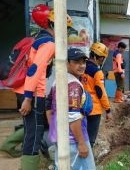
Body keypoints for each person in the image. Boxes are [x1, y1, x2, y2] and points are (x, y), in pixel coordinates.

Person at [11, 4, 73, 169]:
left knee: (30, 128)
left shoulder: (39, 37)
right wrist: (28, 98)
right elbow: (35, 69)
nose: (66, 32)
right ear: (54, 25)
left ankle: (12, 149)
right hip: (31, 93)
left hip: (25, 91)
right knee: (35, 133)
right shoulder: (49, 43)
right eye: (65, 28)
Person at [46, 48, 95, 169]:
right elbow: (73, 117)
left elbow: (48, 106)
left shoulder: (57, 81)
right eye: (77, 62)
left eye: (83, 62)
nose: (81, 65)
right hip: (74, 140)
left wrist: (55, 130)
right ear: (67, 63)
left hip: (61, 136)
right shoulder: (73, 85)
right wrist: (81, 143)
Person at [81, 42, 113, 148]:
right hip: (94, 109)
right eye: (101, 58)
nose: (102, 61)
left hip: (80, 106)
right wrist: (108, 110)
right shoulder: (97, 72)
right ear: (95, 57)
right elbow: (101, 92)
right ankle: (88, 162)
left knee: (81, 137)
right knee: (90, 139)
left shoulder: (81, 67)